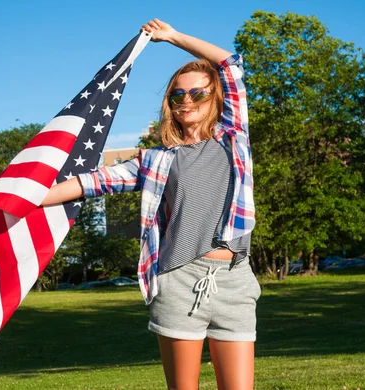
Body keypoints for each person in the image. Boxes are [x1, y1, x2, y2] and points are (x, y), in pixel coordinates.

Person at [42, 18, 259, 390]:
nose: (187, 100)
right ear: (170, 104)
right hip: (179, 279)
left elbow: (230, 65)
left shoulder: (233, 139)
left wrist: (173, 37)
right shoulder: (155, 161)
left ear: (216, 99)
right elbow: (89, 183)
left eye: (198, 93)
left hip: (235, 281)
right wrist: (19, 198)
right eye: (178, 95)